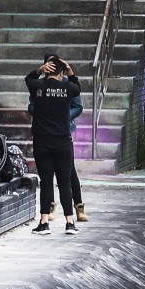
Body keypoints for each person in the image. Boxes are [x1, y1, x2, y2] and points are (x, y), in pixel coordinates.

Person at [24, 52, 81, 235]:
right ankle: (70, 223)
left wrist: (39, 70)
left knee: (46, 183)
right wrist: (70, 71)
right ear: (61, 73)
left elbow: (28, 79)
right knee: (65, 183)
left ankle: (44, 223)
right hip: (63, 142)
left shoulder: (38, 87)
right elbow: (77, 87)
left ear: (47, 71)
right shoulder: (67, 88)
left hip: (42, 142)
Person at [32, 88, 89, 223]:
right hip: (44, 132)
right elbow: (31, 106)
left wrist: (62, 116)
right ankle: (50, 206)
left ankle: (78, 206)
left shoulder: (66, 85)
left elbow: (78, 106)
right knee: (47, 175)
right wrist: (44, 115)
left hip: (63, 132)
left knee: (70, 171)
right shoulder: (39, 85)